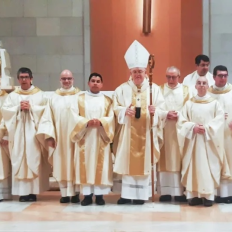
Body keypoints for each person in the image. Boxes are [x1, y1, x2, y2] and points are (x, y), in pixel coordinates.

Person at [113, 40, 165, 205]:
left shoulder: (154, 89)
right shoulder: (121, 89)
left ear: (145, 71)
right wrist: (123, 111)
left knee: (144, 164)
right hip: (128, 134)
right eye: (135, 71)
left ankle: (141, 196)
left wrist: (155, 112)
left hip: (147, 135)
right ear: (130, 72)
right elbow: (114, 108)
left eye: (140, 71)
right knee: (128, 164)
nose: (138, 74)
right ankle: (127, 195)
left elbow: (162, 110)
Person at [177, 76, 230, 207]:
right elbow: (181, 121)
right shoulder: (189, 103)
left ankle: (208, 196)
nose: (201, 85)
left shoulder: (214, 103)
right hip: (193, 142)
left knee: (209, 167)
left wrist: (207, 128)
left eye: (204, 83)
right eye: (199, 83)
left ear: (208, 86)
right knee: (192, 167)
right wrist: (192, 127)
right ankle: (194, 195)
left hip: (209, 142)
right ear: (195, 86)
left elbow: (219, 120)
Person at [1, 67, 50, 202]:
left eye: (26, 77)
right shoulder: (12, 96)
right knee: (20, 161)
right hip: (17, 135)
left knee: (33, 160)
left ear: (31, 78)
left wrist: (31, 108)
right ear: (18, 79)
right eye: (21, 77)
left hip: (33, 135)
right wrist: (18, 108)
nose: (24, 80)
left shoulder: (40, 95)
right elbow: (5, 114)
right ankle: (22, 193)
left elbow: (46, 112)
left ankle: (33, 193)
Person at [37, 70, 81, 204]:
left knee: (75, 164)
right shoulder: (53, 98)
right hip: (59, 139)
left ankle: (76, 194)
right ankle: (64, 194)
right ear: (60, 80)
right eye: (64, 79)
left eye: (68, 78)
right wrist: (49, 136)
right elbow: (47, 118)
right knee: (62, 164)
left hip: (76, 138)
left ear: (73, 79)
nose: (66, 81)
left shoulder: (80, 96)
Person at [70, 72, 114, 206]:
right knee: (86, 165)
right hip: (85, 136)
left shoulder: (108, 100)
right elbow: (73, 115)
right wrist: (85, 123)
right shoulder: (79, 98)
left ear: (102, 84)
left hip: (101, 136)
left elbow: (111, 117)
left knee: (100, 166)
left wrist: (101, 122)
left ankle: (100, 196)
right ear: (88, 83)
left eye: (98, 81)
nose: (95, 83)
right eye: (93, 80)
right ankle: (87, 196)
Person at [157, 66, 191, 202]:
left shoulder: (186, 91)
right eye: (168, 77)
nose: (171, 80)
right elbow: (156, 108)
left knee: (179, 159)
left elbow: (190, 108)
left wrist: (179, 115)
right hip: (164, 129)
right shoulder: (159, 90)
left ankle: (179, 192)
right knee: (165, 160)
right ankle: (165, 192)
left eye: (174, 77)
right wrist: (166, 114)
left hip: (180, 130)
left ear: (179, 77)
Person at [207, 65, 232, 203]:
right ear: (214, 77)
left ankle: (228, 194)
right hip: (213, 135)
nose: (223, 78)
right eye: (220, 75)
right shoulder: (208, 94)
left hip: (229, 134)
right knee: (215, 162)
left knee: (229, 161)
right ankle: (215, 192)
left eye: (225, 75)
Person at [0, 87, 11, 202]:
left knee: (1, 166)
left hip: (0, 135)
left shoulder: (5, 98)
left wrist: (6, 134)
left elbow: (8, 117)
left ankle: (2, 193)